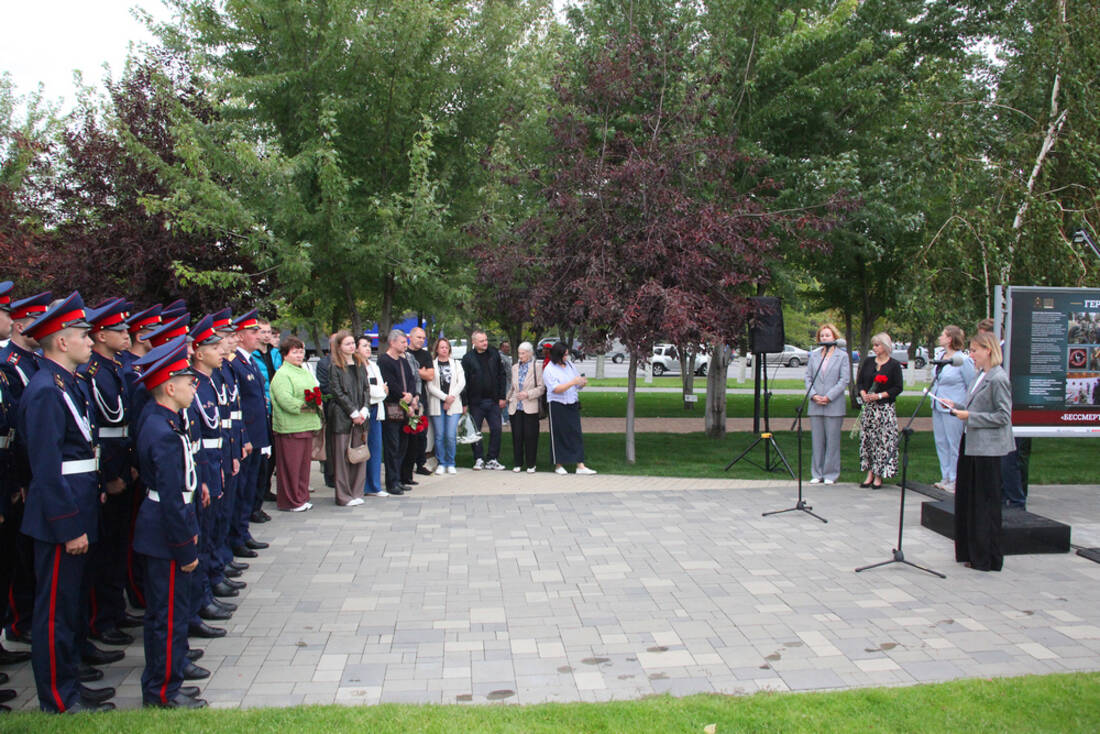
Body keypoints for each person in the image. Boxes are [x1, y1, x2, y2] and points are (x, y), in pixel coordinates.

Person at [17, 292, 118, 712]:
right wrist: (68, 525)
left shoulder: (66, 383)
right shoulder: (45, 390)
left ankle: (71, 681)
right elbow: (46, 468)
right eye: (83, 336)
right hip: (62, 516)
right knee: (56, 610)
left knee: (71, 603)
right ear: (61, 341)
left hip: (79, 503)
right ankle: (58, 697)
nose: (90, 342)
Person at [132, 339, 208, 708]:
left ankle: (168, 678)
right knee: (167, 616)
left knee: (168, 613)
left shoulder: (163, 421)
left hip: (163, 529)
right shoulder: (162, 431)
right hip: (165, 535)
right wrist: (185, 547)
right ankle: (163, 691)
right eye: (188, 382)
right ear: (169, 387)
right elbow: (171, 497)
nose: (194, 388)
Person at [941, 330, 1012, 572]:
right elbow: (976, 405)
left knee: (984, 503)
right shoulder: (980, 376)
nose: (971, 355)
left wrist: (969, 416)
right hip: (971, 443)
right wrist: (957, 406)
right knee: (969, 499)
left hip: (988, 449)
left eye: (974, 350)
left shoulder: (998, 378)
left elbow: (1002, 416)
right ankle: (970, 550)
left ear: (988, 350)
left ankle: (987, 556)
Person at [227, 311, 270, 556]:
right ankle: (236, 537)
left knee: (250, 488)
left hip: (256, 436)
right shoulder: (235, 363)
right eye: (253, 332)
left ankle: (243, 533)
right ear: (241, 335)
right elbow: (238, 405)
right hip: (246, 437)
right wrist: (245, 437)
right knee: (242, 489)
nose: (258, 336)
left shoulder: (250, 361)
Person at [977, 318, 1030, 509]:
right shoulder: (998, 353)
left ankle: (1015, 500)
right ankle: (1000, 496)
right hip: (997, 411)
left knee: (1010, 459)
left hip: (1012, 412)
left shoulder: (1009, 352)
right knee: (1000, 459)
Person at [269, 336, 322, 512]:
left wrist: (317, 402)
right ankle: (290, 500)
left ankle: (301, 496)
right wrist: (306, 405)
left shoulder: (304, 371)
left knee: (303, 467)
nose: (299, 355)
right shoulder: (282, 374)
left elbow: (315, 390)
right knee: (291, 467)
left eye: (301, 352)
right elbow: (285, 400)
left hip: (306, 424)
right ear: (285, 355)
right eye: (295, 352)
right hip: (290, 426)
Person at [929, 325, 975, 492]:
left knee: (953, 443)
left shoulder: (962, 360)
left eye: (942, 335)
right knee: (941, 442)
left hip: (954, 408)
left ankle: (956, 479)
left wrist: (962, 405)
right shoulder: (941, 356)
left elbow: (971, 385)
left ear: (950, 338)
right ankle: (945, 476)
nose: (939, 337)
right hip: (937, 405)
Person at [327, 330, 370, 507]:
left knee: (359, 455)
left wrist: (364, 409)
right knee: (342, 458)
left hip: (361, 417)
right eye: (347, 344)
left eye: (353, 343)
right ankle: (344, 495)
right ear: (339, 347)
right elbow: (337, 392)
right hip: (343, 418)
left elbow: (366, 388)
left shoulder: (360, 364)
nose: (352, 346)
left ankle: (357, 491)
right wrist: (353, 412)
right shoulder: (335, 367)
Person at [856, 332, 903, 489]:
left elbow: (898, 387)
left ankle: (879, 475)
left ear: (885, 346)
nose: (875, 348)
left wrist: (880, 395)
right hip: (869, 409)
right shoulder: (869, 362)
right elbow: (860, 381)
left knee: (882, 441)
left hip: (884, 409)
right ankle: (869, 472)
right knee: (868, 440)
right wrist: (863, 393)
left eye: (877, 345)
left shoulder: (894, 365)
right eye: (874, 345)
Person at [542, 342, 596, 476]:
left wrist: (581, 383)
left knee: (575, 433)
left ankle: (580, 465)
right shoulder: (549, 369)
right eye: (565, 354)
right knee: (559, 433)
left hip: (572, 402)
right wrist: (573, 382)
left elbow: (577, 383)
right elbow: (555, 389)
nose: (567, 357)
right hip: (557, 404)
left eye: (567, 354)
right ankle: (559, 464)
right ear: (558, 355)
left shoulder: (570, 365)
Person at [805, 324, 849, 485]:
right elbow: (808, 377)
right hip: (816, 404)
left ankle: (831, 474)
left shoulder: (842, 356)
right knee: (817, 442)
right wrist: (813, 395)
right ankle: (817, 473)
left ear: (834, 337)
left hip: (833, 405)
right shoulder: (815, 355)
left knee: (832, 442)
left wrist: (829, 397)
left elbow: (844, 380)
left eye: (828, 335)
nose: (824, 338)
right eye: (822, 335)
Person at [460, 330, 507, 470]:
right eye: (482, 341)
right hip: (476, 402)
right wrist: (465, 402)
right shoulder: (467, 358)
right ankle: (478, 458)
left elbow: (502, 375)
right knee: (475, 431)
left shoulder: (494, 354)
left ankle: (492, 459)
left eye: (486, 340)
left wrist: (502, 396)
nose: (485, 343)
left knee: (497, 429)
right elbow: (463, 382)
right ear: (474, 342)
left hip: (493, 401)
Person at [377, 329, 416, 495]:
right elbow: (390, 383)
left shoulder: (404, 361)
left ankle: (399, 478)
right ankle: (391, 482)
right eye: (402, 342)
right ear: (392, 342)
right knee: (392, 446)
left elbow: (411, 379)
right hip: (392, 408)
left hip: (405, 408)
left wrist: (411, 396)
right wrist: (403, 396)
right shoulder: (384, 361)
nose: (405, 345)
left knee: (402, 445)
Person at [426, 337, 465, 475]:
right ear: (437, 349)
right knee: (439, 435)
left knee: (450, 435)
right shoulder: (432, 364)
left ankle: (451, 462)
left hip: (453, 403)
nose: (444, 349)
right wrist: (444, 398)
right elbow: (430, 386)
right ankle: (441, 462)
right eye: (441, 347)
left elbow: (461, 382)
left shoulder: (456, 364)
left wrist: (450, 398)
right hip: (437, 403)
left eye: (446, 347)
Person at [506, 341, 544, 474]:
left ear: (530, 353)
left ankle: (531, 464)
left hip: (530, 407)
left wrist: (527, 394)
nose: (520, 356)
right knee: (517, 436)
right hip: (515, 407)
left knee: (530, 436)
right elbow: (512, 387)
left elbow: (541, 388)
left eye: (523, 353)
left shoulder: (537, 366)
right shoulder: (515, 367)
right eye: (519, 353)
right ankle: (517, 463)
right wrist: (507, 399)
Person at [357, 336, 388, 496]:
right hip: (363, 411)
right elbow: (365, 390)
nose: (368, 348)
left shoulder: (374, 366)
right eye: (364, 345)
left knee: (375, 448)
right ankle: (360, 486)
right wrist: (381, 391)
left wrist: (380, 392)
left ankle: (374, 486)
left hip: (376, 410)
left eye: (369, 345)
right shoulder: (355, 367)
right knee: (361, 448)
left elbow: (383, 389)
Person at [402, 326, 434, 482]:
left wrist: (416, 370)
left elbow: (430, 375)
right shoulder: (404, 353)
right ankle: (405, 466)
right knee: (407, 432)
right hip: (405, 397)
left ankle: (421, 463)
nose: (421, 340)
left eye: (423, 338)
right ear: (410, 337)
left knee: (421, 432)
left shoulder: (425, 354)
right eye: (418, 337)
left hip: (421, 398)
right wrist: (421, 371)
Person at [499, 340, 513, 426]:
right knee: (505, 398)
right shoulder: (501, 357)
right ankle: (506, 418)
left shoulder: (506, 356)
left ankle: (502, 417)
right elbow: (503, 370)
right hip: (504, 381)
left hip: (508, 381)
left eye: (508, 346)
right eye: (506, 347)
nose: (508, 348)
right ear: (502, 347)